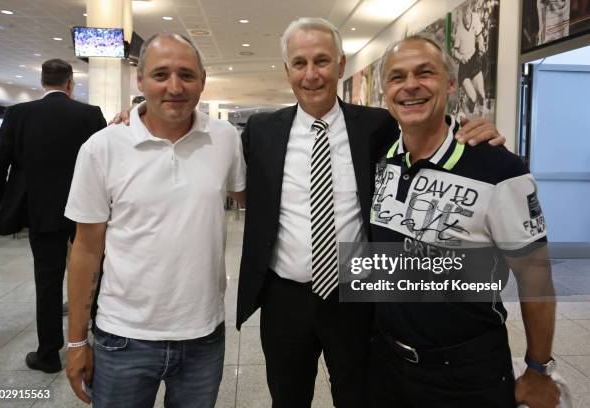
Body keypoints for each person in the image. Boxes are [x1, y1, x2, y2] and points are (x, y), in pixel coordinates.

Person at [235, 17, 504, 408]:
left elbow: (426, 129)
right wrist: (127, 119)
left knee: (359, 395)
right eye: (300, 63)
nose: (312, 74)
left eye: (322, 61)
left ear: (341, 65)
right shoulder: (261, 131)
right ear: (287, 70)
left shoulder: (377, 126)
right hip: (284, 299)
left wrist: (473, 129)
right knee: (287, 397)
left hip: (358, 294)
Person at [368, 34, 560, 408]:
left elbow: (536, 277)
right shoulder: (378, 157)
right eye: (397, 77)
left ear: (450, 83)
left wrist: (538, 369)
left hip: (466, 373)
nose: (410, 85)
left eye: (425, 73)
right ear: (384, 91)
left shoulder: (499, 168)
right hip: (386, 363)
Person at [64, 33, 245, 407]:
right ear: (140, 80)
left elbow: (256, 202)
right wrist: (77, 340)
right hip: (123, 337)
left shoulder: (225, 139)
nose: (174, 87)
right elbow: (85, 249)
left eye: (187, 75)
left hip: (204, 335)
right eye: (161, 74)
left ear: (203, 81)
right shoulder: (102, 148)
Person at [0, 59, 106, 373]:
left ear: (43, 82)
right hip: (86, 211)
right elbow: (108, 162)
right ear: (70, 84)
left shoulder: (18, 114)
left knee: (47, 281)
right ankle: (101, 342)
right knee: (94, 275)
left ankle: (49, 353)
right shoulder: (89, 115)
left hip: (40, 210)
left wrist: (6, 201)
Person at [452, 4, 487, 117]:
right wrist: (461, 57)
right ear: (461, 13)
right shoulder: (459, 29)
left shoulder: (476, 18)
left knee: (482, 94)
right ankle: (465, 114)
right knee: (473, 97)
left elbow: (479, 36)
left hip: (474, 61)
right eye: (464, 14)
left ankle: (481, 121)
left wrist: (481, 44)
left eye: (468, 13)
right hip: (465, 66)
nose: (467, 17)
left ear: (470, 11)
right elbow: (454, 51)